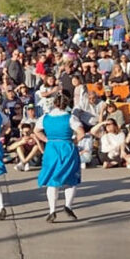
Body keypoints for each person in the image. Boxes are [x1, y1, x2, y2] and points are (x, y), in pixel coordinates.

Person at [34, 93, 84, 222]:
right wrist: (74, 142)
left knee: (52, 180)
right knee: (70, 178)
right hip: (67, 147)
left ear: (54, 103)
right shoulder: (70, 118)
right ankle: (68, 205)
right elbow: (81, 133)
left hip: (51, 148)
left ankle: (52, 210)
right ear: (66, 104)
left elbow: (36, 131)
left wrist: (46, 139)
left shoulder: (45, 118)